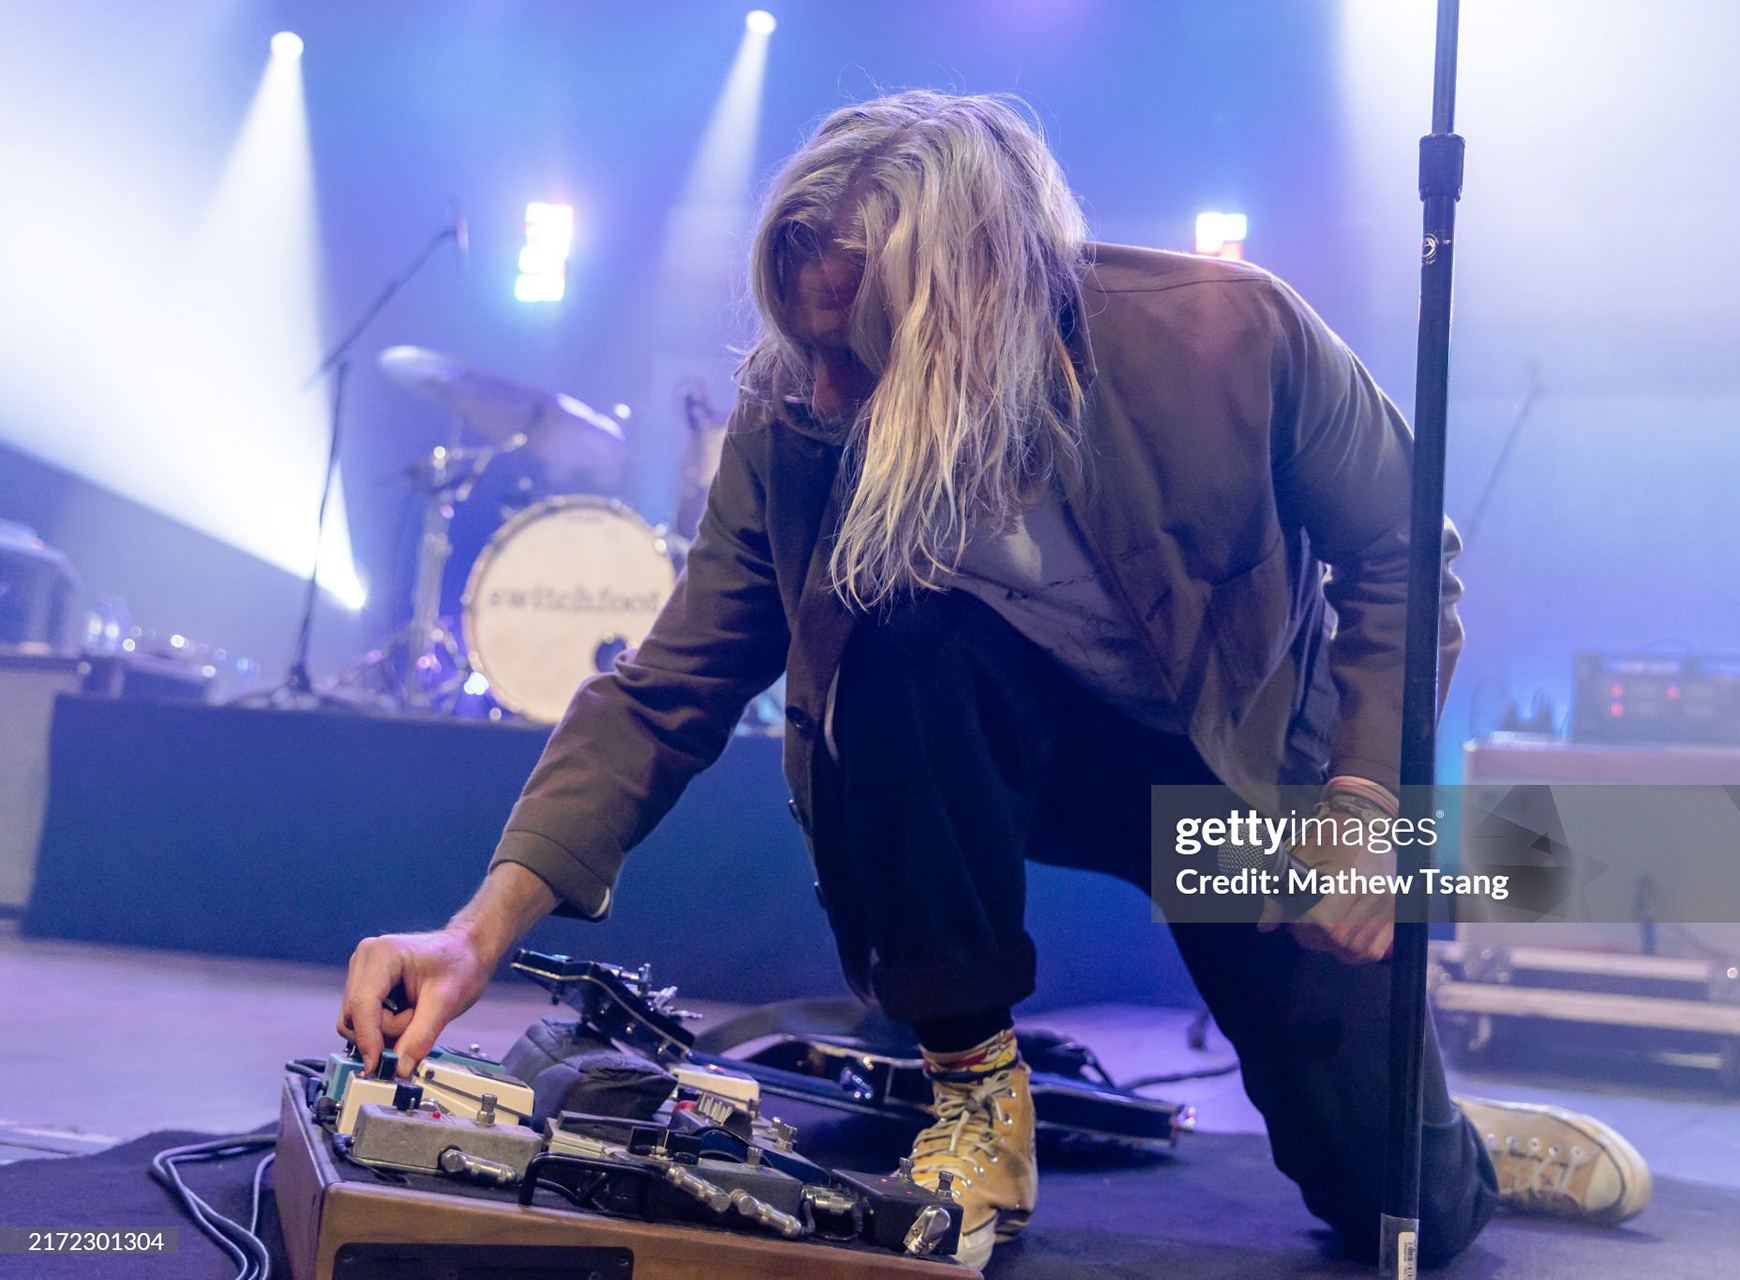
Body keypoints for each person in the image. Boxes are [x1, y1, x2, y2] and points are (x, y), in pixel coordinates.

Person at [338, 90, 1650, 1269]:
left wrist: (1363, 809)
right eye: (810, 349)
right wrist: (474, 933)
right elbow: (667, 688)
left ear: (978, 313)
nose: (826, 393)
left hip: (1245, 776)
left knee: (1388, 1199)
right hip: (1019, 751)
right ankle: (974, 1094)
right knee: (899, 647)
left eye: (860, 354)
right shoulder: (796, 418)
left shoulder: (1231, 335)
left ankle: (1454, 1140)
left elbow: (1405, 557)